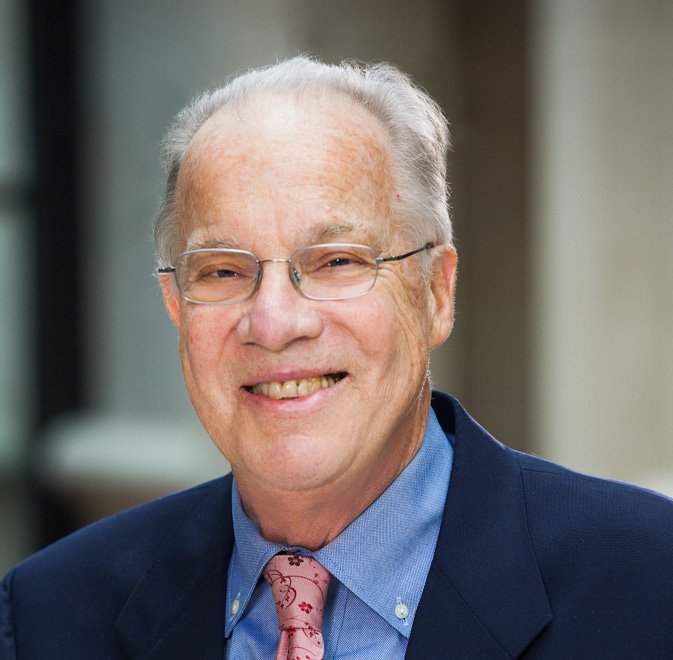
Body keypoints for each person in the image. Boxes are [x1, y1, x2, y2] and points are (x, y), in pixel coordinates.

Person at [2, 56, 673, 660]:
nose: (272, 322)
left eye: (335, 262)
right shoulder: (49, 615)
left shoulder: (649, 584)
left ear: (435, 292)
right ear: (176, 306)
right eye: (223, 271)